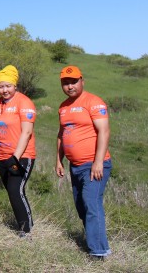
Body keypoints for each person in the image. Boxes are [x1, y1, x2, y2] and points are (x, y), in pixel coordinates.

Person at [56, 65, 112, 259]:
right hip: (75, 166)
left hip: (94, 164)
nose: (70, 86)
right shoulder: (63, 107)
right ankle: (93, 240)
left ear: (82, 81)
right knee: (81, 205)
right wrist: (58, 160)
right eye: (66, 83)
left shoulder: (93, 102)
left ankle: (99, 251)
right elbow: (61, 134)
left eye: (74, 82)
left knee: (91, 203)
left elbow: (104, 131)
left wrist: (98, 162)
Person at [0, 65, 36, 238]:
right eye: (1, 86)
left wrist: (15, 157)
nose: (4, 90)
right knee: (11, 191)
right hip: (1, 156)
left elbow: (27, 132)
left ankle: (26, 230)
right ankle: (22, 224)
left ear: (15, 85)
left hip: (21, 156)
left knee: (16, 190)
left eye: (8, 86)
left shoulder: (24, 103)